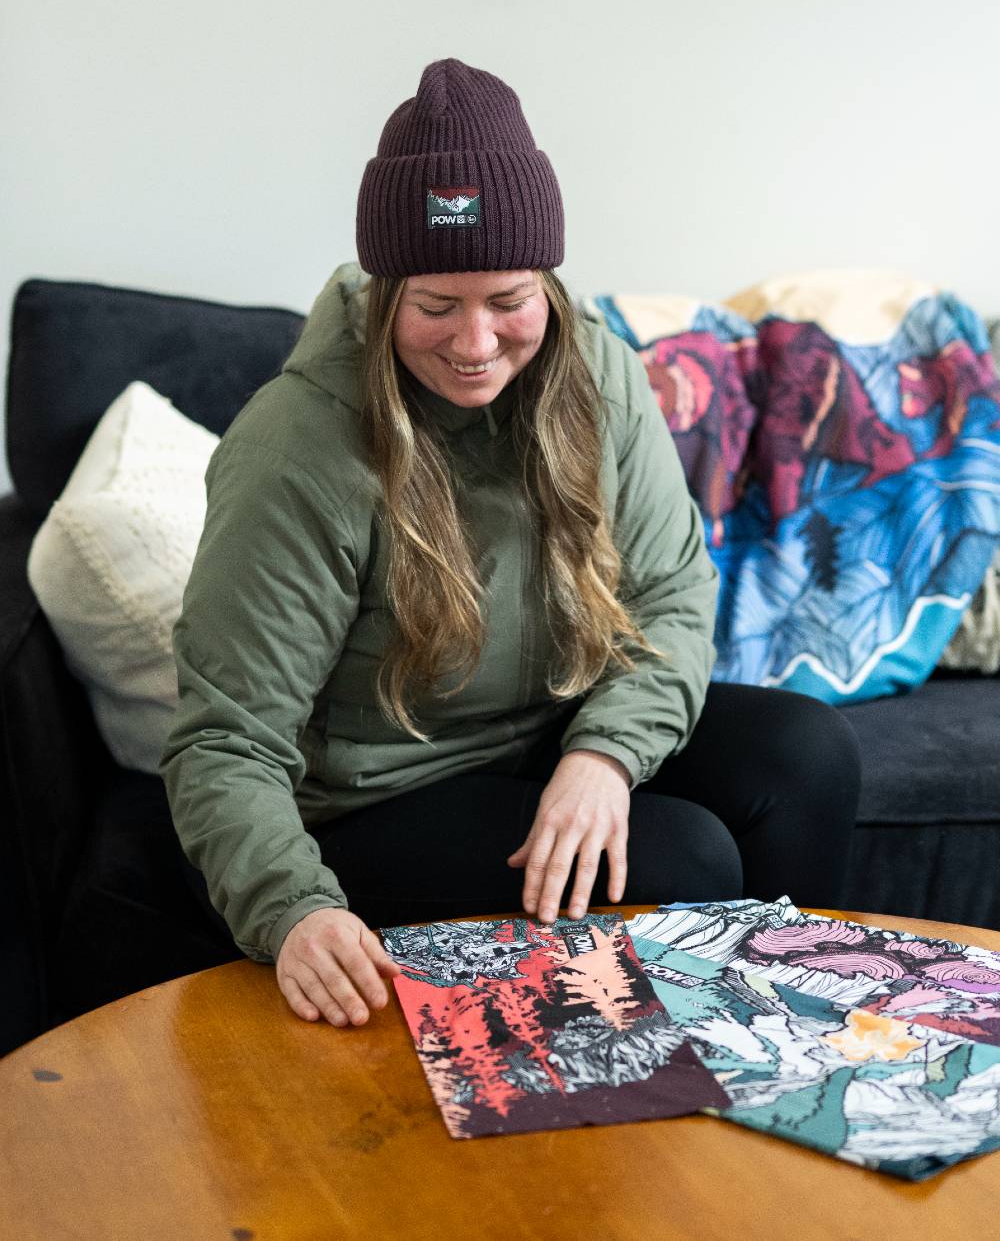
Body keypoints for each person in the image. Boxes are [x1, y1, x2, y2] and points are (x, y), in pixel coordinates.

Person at [161, 58, 860, 1032]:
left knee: (807, 753)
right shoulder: (297, 446)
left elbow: (670, 598)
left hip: (543, 731)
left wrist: (605, 755)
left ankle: (793, 1047)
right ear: (381, 291)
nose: (476, 341)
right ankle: (689, 1091)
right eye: (435, 305)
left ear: (550, 281)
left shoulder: (600, 373)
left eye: (509, 298)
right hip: (378, 797)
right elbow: (226, 737)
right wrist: (292, 908)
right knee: (685, 857)